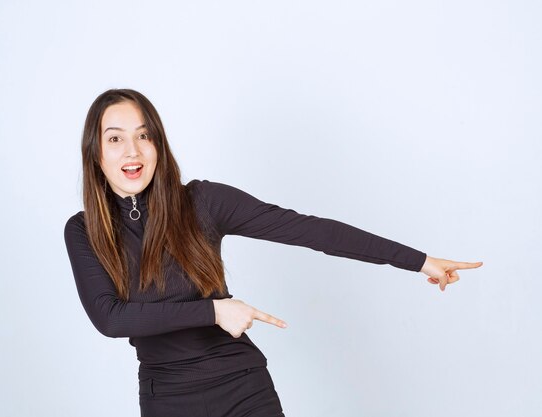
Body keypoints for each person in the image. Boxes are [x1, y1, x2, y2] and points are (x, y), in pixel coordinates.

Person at [63, 88, 483, 417]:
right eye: (115, 138)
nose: (132, 151)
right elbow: (111, 318)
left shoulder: (203, 203)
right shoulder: (84, 231)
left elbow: (310, 230)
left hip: (241, 387)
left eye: (143, 135)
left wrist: (420, 260)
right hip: (165, 397)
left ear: (158, 144)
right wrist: (214, 311)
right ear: (96, 153)